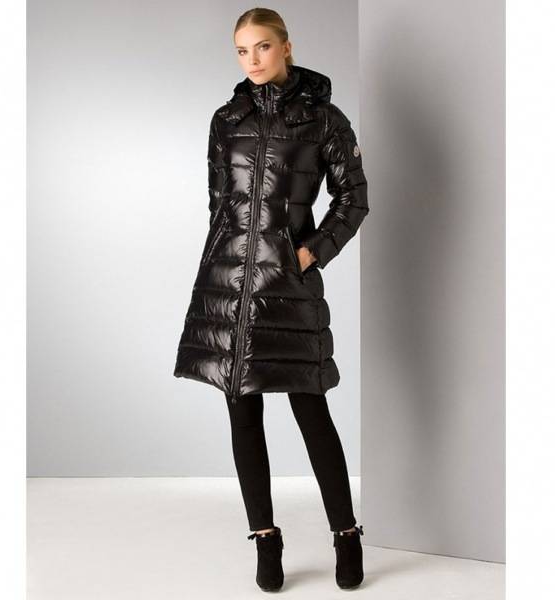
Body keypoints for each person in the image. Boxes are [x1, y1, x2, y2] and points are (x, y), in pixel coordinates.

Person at [173, 7, 369, 592]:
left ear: (286, 46)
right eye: (242, 50)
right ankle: (265, 537)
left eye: (262, 46)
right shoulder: (226, 120)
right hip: (230, 286)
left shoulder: (323, 119)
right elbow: (220, 204)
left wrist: (309, 255)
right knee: (242, 410)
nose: (252, 60)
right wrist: (221, 270)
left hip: (287, 283)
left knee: (311, 409)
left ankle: (346, 534)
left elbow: (353, 198)